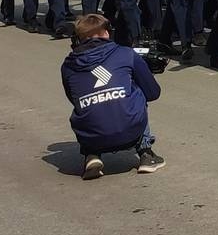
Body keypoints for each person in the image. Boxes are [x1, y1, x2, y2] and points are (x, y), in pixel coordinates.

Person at [61, 13, 165, 179]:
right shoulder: (126, 53)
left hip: (92, 136)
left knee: (85, 104)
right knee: (136, 90)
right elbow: (153, 93)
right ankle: (146, 153)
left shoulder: (68, 66)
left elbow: (73, 98)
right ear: (106, 33)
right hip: (130, 130)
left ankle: (92, 156)